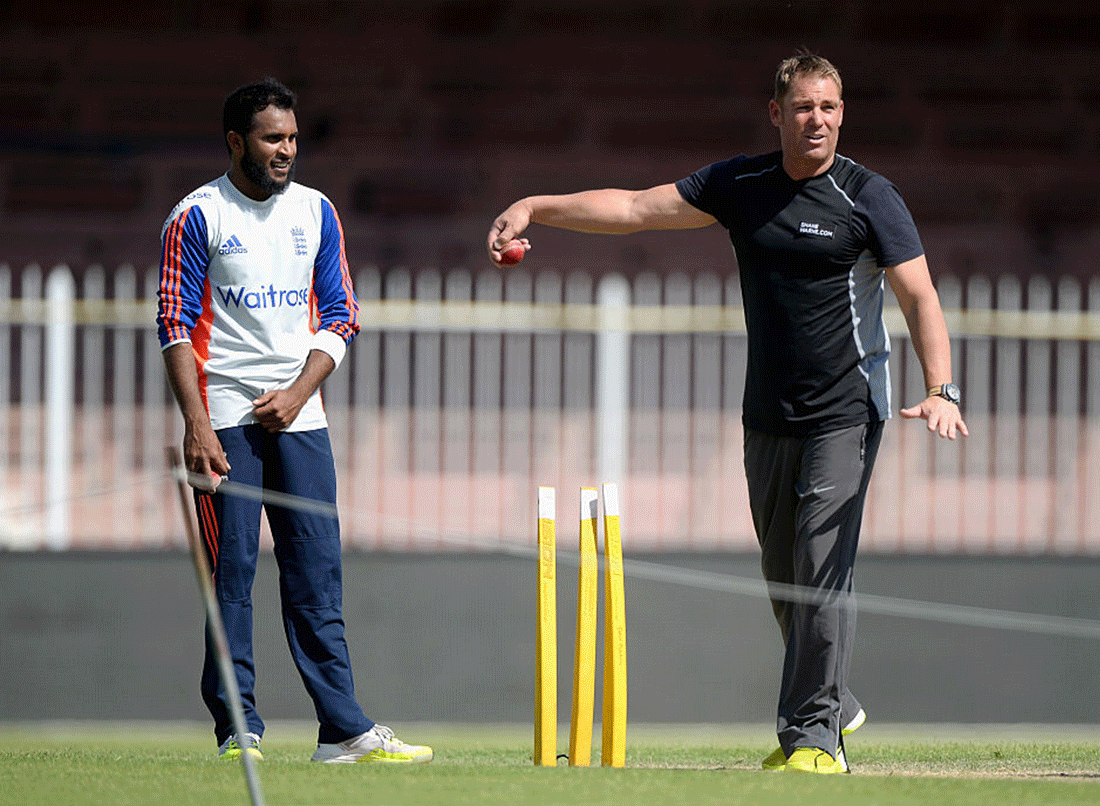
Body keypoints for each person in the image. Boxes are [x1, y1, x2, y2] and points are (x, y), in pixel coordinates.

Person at [487, 51, 967, 774]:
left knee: (816, 568)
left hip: (847, 413)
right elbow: (634, 208)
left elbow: (920, 297)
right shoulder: (740, 184)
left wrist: (941, 389)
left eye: (830, 108)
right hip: (766, 415)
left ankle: (813, 740)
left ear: (844, 114)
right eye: (804, 107)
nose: (818, 120)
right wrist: (535, 207)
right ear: (777, 114)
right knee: (784, 577)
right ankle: (834, 698)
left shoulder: (870, 197)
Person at [156, 78, 432, 765]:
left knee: (316, 572)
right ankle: (239, 729)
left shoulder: (316, 211)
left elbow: (343, 315)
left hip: (301, 417)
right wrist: (196, 426)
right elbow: (174, 324)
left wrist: (298, 390)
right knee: (233, 571)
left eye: (293, 138)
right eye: (273, 138)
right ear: (235, 142)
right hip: (224, 416)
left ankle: (342, 731)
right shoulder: (197, 216)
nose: (287, 150)